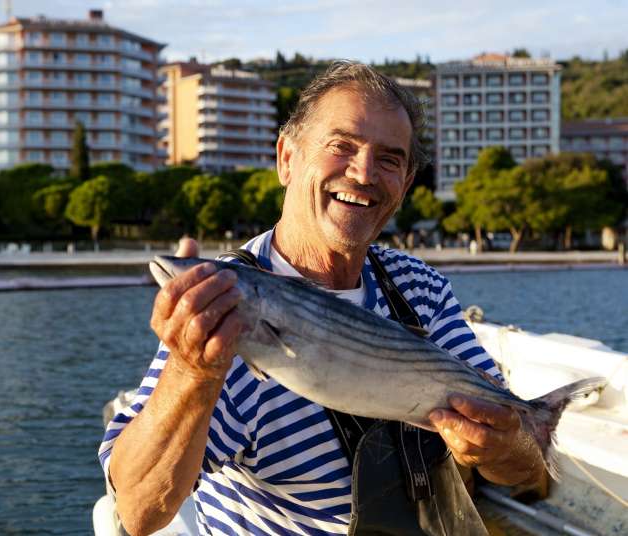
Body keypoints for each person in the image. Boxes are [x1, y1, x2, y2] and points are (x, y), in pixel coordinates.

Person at [99, 61, 543, 536]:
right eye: (341, 146)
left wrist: (501, 446)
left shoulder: (419, 288)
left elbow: (524, 468)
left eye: (389, 159)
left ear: (405, 185)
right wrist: (193, 370)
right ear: (287, 159)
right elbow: (139, 512)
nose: (364, 172)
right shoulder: (223, 308)